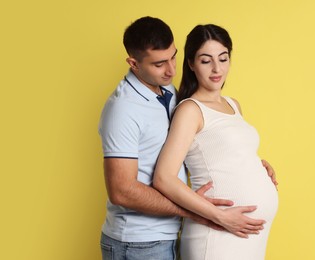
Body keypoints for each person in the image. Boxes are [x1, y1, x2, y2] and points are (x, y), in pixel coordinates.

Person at [98, 17, 276, 260]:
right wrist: (200, 212)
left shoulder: (168, 91)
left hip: (172, 231)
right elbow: (122, 191)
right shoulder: (123, 109)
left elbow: (207, 146)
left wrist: (254, 167)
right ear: (134, 63)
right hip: (139, 240)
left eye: (173, 57)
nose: (171, 70)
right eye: (160, 63)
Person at [153, 24, 279, 260]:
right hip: (218, 233)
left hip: (248, 235)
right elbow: (163, 177)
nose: (216, 69)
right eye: (205, 60)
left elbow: (225, 153)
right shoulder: (191, 110)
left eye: (223, 58)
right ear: (191, 63)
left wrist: (258, 165)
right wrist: (220, 216)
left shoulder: (233, 104)